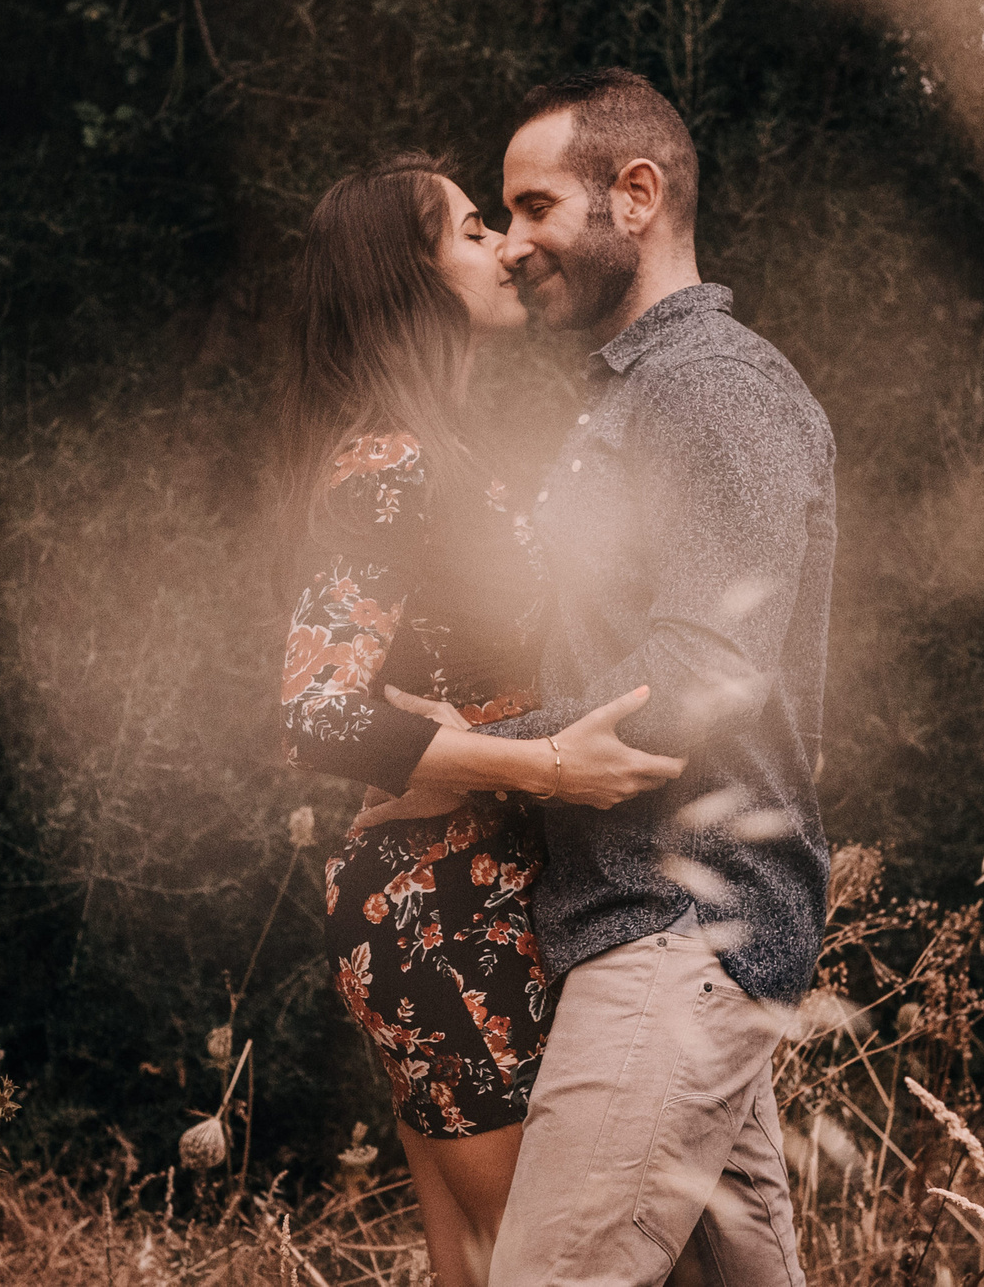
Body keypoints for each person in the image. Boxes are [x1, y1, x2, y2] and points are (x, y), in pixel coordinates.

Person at [382, 69, 837, 1287]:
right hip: (640, 924)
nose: (512, 240)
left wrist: (482, 758)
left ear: (635, 196)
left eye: (534, 206)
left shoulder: (712, 389)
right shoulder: (637, 395)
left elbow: (704, 673)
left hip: (675, 931)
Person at [273, 157, 686, 1287]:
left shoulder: (437, 453)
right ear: (408, 277)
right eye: (470, 230)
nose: (506, 245)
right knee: (563, 1270)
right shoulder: (390, 463)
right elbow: (313, 713)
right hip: (435, 909)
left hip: (473, 887)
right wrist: (544, 762)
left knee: (491, 1270)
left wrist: (472, 748)